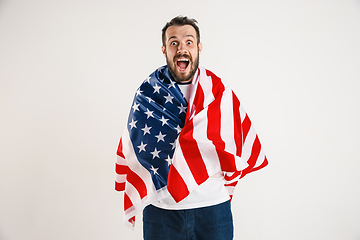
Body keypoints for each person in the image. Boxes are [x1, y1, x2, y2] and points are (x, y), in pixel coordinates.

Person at [115, 16, 268, 240]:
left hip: (213, 210)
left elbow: (238, 143)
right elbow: (134, 148)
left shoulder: (219, 92)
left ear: (198, 47)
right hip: (161, 212)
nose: (181, 48)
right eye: (173, 42)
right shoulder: (148, 94)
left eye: (188, 41)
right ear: (164, 49)